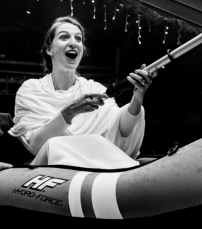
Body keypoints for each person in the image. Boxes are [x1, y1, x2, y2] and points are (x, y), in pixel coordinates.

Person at [9, 16, 156, 168]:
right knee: (55, 145)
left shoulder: (94, 89)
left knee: (139, 110)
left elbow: (121, 131)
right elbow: (35, 146)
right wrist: (69, 112)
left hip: (96, 169)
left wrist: (137, 97)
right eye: (64, 37)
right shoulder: (30, 90)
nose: (73, 43)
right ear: (49, 49)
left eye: (78, 39)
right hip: (53, 173)